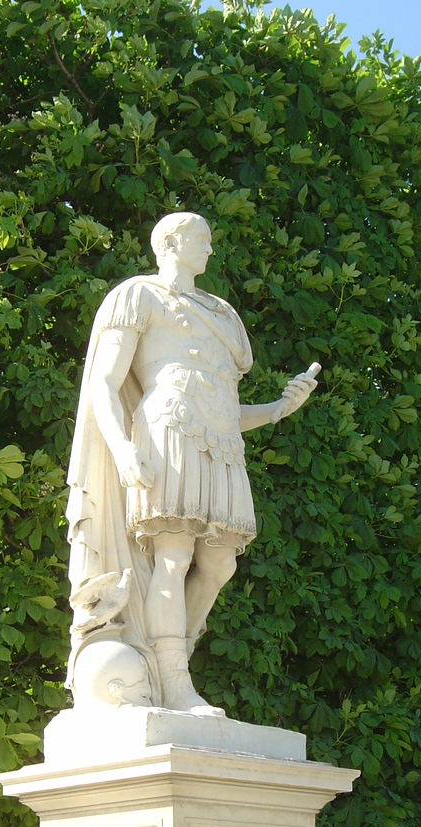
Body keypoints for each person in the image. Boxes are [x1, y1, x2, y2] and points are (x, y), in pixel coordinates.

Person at [66, 211, 320, 714]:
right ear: (173, 241)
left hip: (221, 443)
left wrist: (275, 410)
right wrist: (121, 447)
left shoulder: (223, 313)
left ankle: (168, 666)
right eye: (202, 238)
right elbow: (104, 382)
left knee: (220, 562)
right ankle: (175, 684)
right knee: (173, 556)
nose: (210, 248)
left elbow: (223, 405)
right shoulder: (138, 295)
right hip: (167, 431)